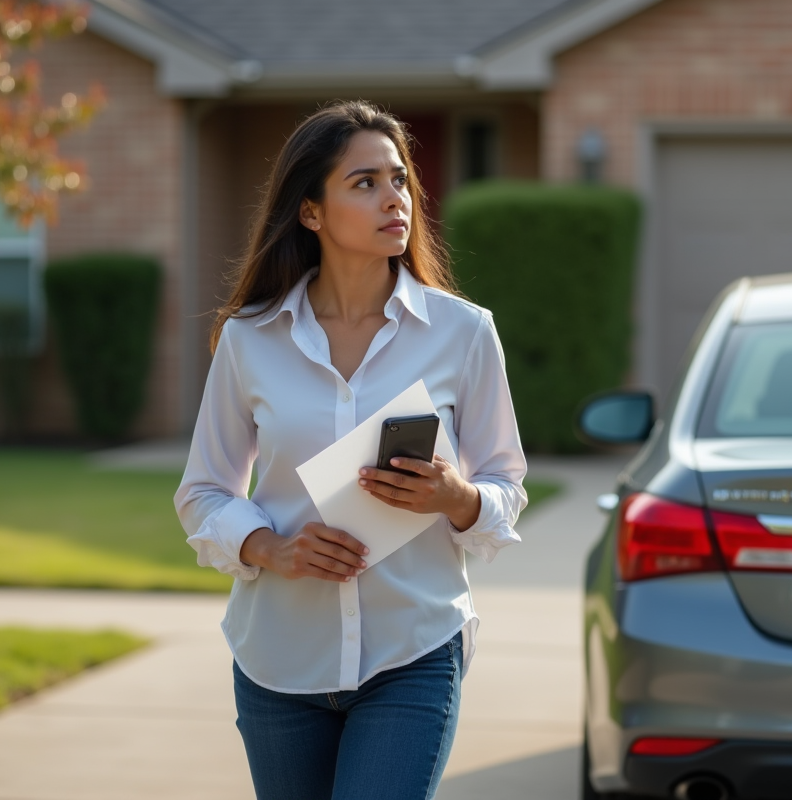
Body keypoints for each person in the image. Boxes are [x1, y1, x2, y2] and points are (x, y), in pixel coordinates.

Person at [174, 100, 527, 800]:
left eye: (399, 179)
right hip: (279, 662)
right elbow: (203, 491)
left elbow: (505, 486)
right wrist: (268, 548)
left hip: (414, 652)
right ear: (311, 211)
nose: (394, 198)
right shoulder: (250, 339)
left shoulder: (464, 333)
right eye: (364, 182)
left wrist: (456, 498)